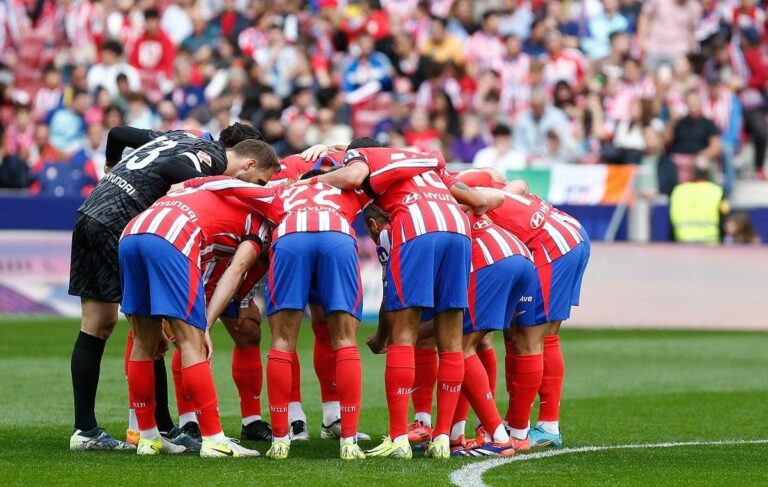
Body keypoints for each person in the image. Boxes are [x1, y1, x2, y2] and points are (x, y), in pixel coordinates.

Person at [67, 125, 270, 451]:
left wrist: (109, 167)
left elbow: (118, 133)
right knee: (151, 331)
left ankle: (113, 429)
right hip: (125, 221)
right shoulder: (214, 159)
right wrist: (210, 182)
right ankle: (150, 429)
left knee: (102, 326)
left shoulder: (177, 136)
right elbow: (170, 169)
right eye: (258, 180)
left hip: (92, 210)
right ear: (247, 160)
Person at [307, 138, 500, 459]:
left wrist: (315, 180)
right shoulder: (427, 160)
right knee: (452, 340)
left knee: (404, 335)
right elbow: (478, 200)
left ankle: (398, 437)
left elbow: (353, 177)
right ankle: (442, 438)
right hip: (458, 228)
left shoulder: (365, 157)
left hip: (416, 226)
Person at [182, 169, 370, 461]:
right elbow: (378, 179)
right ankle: (348, 441)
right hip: (338, 237)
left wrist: (186, 183)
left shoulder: (281, 191)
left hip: (290, 237)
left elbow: (227, 184)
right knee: (345, 341)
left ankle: (281, 439)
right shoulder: (346, 191)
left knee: (282, 341)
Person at [120, 158, 277, 456]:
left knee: (143, 341)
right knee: (193, 344)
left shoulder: (214, 190)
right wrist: (204, 323)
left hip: (133, 231)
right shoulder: (260, 219)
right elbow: (234, 272)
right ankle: (214, 439)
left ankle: (148, 438)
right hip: (172, 236)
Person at [458, 172, 589, 449]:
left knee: (524, 339)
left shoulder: (450, 190)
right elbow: (518, 182)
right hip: (568, 232)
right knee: (543, 335)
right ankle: (544, 425)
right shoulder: (468, 177)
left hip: (550, 246)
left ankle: (518, 432)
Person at [449, 213, 538, 457]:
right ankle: (458, 433)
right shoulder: (450, 193)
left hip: (492, 260)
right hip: (520, 256)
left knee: (457, 346)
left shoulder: (414, 210)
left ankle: (498, 437)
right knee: (477, 342)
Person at [669, 166, 724, 245]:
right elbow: (723, 217)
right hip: (710, 242)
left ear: (692, 174)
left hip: (683, 240)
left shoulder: (679, 190)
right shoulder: (717, 190)